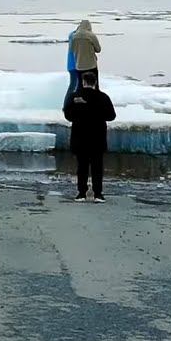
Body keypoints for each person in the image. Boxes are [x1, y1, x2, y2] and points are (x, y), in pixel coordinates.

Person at [63, 71, 116, 203]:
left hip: (80, 137)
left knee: (82, 167)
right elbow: (111, 116)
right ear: (95, 82)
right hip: (97, 137)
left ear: (83, 82)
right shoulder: (103, 97)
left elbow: (68, 116)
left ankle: (81, 193)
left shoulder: (75, 96)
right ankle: (98, 194)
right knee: (97, 167)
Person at [66, 19, 102, 105]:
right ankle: (94, 103)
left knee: (80, 86)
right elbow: (98, 49)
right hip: (91, 65)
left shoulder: (74, 36)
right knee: (94, 85)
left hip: (79, 65)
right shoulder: (91, 35)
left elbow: (72, 49)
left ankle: (79, 104)